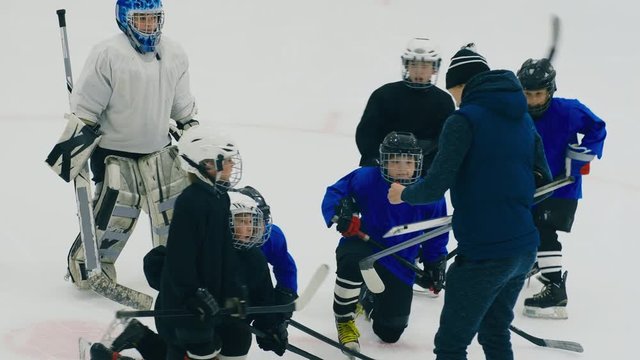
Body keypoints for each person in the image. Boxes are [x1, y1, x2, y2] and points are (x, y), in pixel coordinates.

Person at [387, 44, 551, 360]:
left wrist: (403, 193)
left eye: (454, 93)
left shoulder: (464, 121)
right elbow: (544, 178)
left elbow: (435, 185)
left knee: (451, 345)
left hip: (484, 254)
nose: (455, 101)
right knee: (495, 332)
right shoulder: (522, 118)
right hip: (523, 249)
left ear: (463, 86)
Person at [65, 0, 199, 290]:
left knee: (172, 218)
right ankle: (90, 269)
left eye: (154, 19)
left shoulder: (174, 53)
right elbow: (86, 109)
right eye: (142, 19)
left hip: (160, 152)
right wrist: (73, 147)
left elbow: (181, 106)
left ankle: (174, 271)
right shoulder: (108, 54)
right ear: (125, 20)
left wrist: (191, 128)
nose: (149, 26)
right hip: (113, 153)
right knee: (115, 216)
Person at [88, 189, 289, 360]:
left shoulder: (255, 258)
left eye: (252, 222)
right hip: (183, 319)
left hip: (226, 326)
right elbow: (154, 262)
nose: (248, 229)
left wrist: (271, 328)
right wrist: (190, 293)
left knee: (237, 340)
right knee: (200, 346)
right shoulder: (200, 245)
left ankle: (141, 337)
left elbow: (263, 300)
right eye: (241, 221)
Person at [322, 131, 449, 355]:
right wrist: (341, 214)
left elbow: (435, 234)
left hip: (399, 262)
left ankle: (367, 297)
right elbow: (334, 194)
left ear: (417, 163)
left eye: (408, 162)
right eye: (395, 161)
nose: (401, 167)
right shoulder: (366, 178)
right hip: (364, 246)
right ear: (383, 161)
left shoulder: (429, 193)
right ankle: (344, 319)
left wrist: (435, 264)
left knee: (390, 332)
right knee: (352, 261)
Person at [516, 58, 607, 319]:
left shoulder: (567, 111)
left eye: (539, 94)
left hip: (560, 188)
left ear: (550, 90)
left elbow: (597, 127)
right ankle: (536, 261)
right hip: (528, 188)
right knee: (525, 227)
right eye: (528, 94)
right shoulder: (515, 115)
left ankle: (555, 287)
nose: (533, 100)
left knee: (544, 230)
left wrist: (585, 152)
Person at [355, 38, 455, 168]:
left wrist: (426, 165)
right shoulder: (384, 95)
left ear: (434, 68)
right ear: (406, 65)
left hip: (424, 174)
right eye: (414, 64)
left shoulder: (444, 102)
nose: (419, 71)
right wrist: (375, 160)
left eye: (425, 65)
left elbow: (446, 141)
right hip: (381, 169)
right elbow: (366, 133)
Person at [234, 186, 299, 313]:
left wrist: (286, 292)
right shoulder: (221, 242)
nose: (261, 228)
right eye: (246, 221)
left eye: (263, 221)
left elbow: (285, 267)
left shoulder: (273, 236)